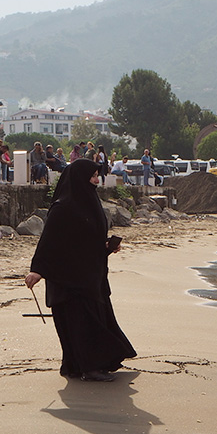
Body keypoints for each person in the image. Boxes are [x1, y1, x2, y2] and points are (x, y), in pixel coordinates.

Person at [25, 159, 136, 381]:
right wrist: (38, 270)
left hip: (89, 276)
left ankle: (79, 366)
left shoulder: (89, 202)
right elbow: (49, 242)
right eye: (93, 176)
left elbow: (86, 240)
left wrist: (105, 246)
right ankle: (89, 367)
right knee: (80, 322)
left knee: (92, 319)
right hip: (68, 279)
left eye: (97, 175)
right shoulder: (63, 208)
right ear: (79, 178)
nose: (97, 180)